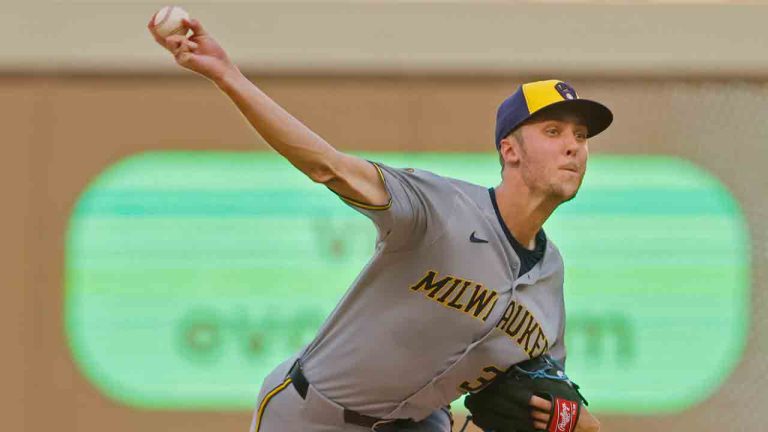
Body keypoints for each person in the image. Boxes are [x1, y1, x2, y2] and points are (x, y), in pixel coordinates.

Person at [148, 16, 612, 432]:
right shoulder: (439, 208)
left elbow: (540, 386)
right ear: (509, 150)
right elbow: (327, 166)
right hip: (310, 416)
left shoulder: (549, 273)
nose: (573, 146)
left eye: (579, 135)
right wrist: (228, 75)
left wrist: (580, 424)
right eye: (553, 132)